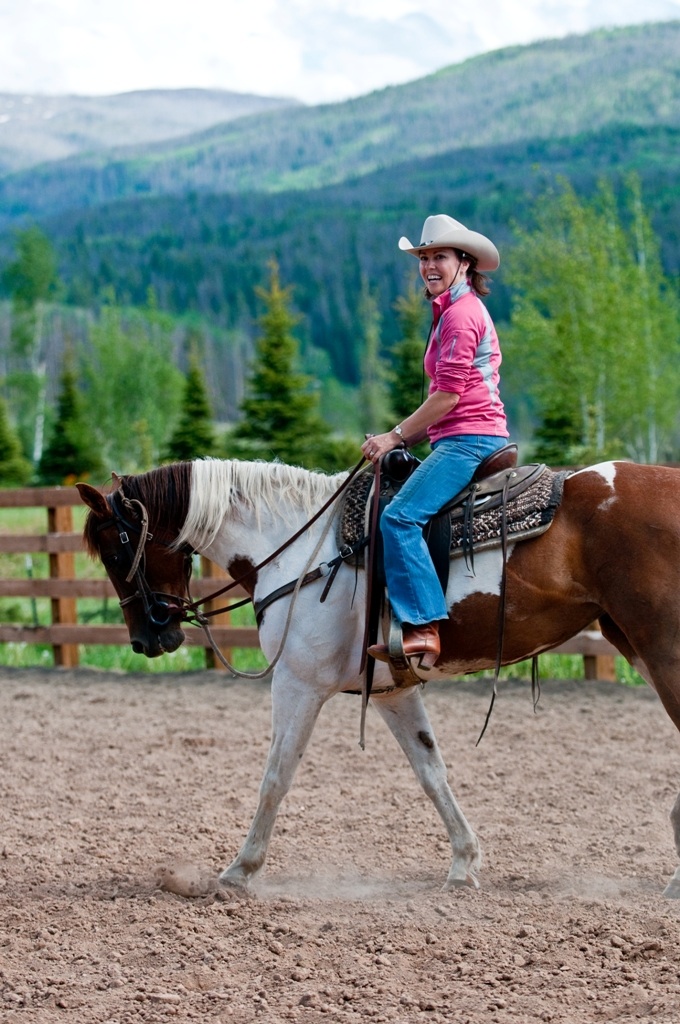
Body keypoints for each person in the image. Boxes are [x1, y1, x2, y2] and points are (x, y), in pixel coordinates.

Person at [361, 214, 509, 669]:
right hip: (460, 435)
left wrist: (394, 436)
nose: (428, 265)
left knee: (399, 518)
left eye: (438, 256)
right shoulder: (449, 310)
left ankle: (424, 627)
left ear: (464, 263)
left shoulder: (461, 316)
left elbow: (447, 397)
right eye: (423, 257)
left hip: (469, 440)